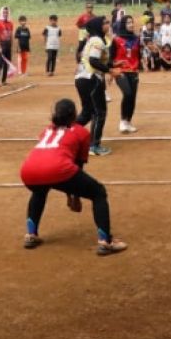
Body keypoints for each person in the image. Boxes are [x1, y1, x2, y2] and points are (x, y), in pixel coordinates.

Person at [18, 98, 127, 255]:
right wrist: (75, 197)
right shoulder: (81, 132)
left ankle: (31, 234)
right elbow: (77, 168)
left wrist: (72, 195)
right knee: (98, 192)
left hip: (28, 170)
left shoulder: (47, 130)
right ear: (75, 114)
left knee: (39, 191)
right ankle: (106, 242)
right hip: (57, 169)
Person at [75, 17, 115, 156]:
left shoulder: (95, 40)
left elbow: (97, 60)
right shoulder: (97, 41)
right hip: (91, 79)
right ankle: (94, 146)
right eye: (105, 23)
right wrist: (110, 71)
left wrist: (114, 65)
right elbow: (93, 61)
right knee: (100, 112)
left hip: (82, 79)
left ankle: (64, 133)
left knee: (87, 112)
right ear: (98, 26)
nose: (108, 24)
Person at [111, 15, 141, 134]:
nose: (131, 25)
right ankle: (122, 121)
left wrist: (139, 67)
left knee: (132, 97)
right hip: (120, 71)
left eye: (132, 22)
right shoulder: (116, 40)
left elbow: (138, 55)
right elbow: (110, 58)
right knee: (127, 93)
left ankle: (128, 121)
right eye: (128, 23)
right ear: (123, 25)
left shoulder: (137, 39)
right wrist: (113, 68)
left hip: (133, 71)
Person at [0, 7, 15, 86]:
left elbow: (11, 35)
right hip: (1, 44)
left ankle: (4, 80)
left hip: (8, 44)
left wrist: (12, 45)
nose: (5, 14)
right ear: (1, 13)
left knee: (7, 63)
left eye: (7, 12)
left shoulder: (10, 23)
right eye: (4, 12)